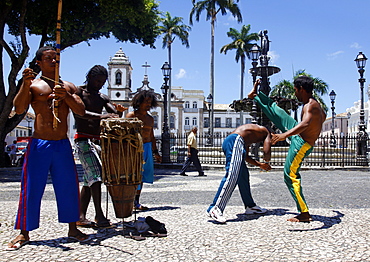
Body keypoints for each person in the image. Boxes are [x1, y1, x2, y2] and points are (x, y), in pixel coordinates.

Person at [7, 46, 88, 251]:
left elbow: (81, 110)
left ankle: (73, 228)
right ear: (39, 63)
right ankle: (24, 232)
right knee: (32, 188)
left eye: (56, 58)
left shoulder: (68, 86)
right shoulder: (34, 85)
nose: (54, 62)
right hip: (40, 144)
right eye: (49, 59)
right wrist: (25, 85)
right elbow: (19, 108)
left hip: (61, 144)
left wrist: (66, 96)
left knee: (69, 187)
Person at [249, 76, 326, 222]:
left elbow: (305, 124)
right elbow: (320, 117)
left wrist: (284, 135)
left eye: (295, 90)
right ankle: (257, 96)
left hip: (301, 144)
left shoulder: (310, 106)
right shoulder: (316, 105)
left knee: (290, 175)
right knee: (280, 113)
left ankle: (304, 213)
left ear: (301, 89)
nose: (294, 93)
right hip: (301, 137)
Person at [74, 65, 127, 228]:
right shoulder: (79, 93)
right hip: (83, 140)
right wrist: (102, 116)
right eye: (97, 81)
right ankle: (99, 215)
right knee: (96, 176)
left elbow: (114, 114)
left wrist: (119, 112)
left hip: (96, 141)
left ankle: (80, 216)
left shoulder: (102, 97)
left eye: (103, 82)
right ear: (89, 77)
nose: (99, 84)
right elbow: (79, 112)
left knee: (89, 180)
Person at [207, 124, 272, 224]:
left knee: (243, 176)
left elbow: (244, 156)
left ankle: (250, 206)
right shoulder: (266, 132)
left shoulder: (248, 137)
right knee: (232, 174)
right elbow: (267, 154)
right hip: (235, 141)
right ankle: (215, 208)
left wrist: (259, 165)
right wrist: (267, 159)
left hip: (232, 141)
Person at [126, 90, 161, 210]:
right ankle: (129, 200)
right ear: (139, 102)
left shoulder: (150, 119)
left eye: (149, 102)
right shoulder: (131, 116)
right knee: (134, 175)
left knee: (142, 176)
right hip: (134, 148)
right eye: (145, 102)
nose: (147, 104)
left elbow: (151, 136)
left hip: (146, 148)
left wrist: (156, 152)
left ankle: (136, 201)